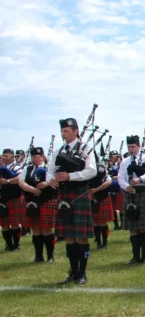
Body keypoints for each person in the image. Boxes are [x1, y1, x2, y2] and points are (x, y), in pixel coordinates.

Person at [47, 118, 97, 285]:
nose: (63, 134)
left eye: (66, 131)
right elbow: (50, 171)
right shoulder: (59, 150)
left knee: (81, 237)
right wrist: (51, 181)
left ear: (76, 131)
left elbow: (92, 171)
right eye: (62, 131)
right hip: (63, 195)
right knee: (69, 236)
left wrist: (71, 176)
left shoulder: (85, 148)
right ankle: (73, 271)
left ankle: (82, 273)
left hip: (79, 193)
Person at [118, 135, 145, 265]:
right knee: (133, 228)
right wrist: (126, 187)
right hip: (130, 194)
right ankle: (135, 256)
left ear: (139, 146)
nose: (131, 149)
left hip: (143, 193)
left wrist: (139, 179)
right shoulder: (125, 162)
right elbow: (120, 177)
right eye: (129, 147)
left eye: (133, 147)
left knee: (143, 227)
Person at [18, 147, 57, 261]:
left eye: (36, 156)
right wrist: (32, 189)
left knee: (47, 229)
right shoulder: (28, 169)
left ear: (42, 156)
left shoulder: (49, 168)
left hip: (46, 201)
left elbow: (55, 180)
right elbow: (21, 182)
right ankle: (38, 256)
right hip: (31, 201)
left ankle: (50, 256)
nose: (34, 159)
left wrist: (46, 183)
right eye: (33, 157)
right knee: (36, 229)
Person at [0, 148, 24, 251]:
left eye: (6, 155)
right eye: (3, 155)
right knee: (4, 223)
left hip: (14, 197)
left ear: (12, 156)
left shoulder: (18, 167)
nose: (4, 157)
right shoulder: (1, 168)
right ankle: (9, 244)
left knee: (14, 223)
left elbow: (20, 179)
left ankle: (16, 244)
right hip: (2, 198)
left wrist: (7, 181)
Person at [88, 161, 114, 250]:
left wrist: (97, 189)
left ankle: (105, 244)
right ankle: (98, 243)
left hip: (102, 197)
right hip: (91, 198)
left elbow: (109, 182)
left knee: (103, 222)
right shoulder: (86, 168)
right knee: (94, 222)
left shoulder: (101, 169)